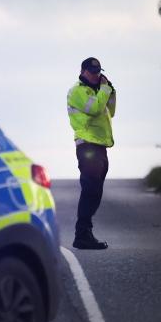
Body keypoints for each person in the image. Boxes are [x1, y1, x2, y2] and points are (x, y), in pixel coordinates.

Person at [66, 57, 116, 250]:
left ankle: (85, 233)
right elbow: (95, 109)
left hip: (100, 146)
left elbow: (111, 111)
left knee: (96, 191)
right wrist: (104, 90)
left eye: (98, 72)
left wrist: (110, 91)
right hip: (87, 145)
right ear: (83, 71)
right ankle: (82, 235)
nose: (96, 75)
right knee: (90, 189)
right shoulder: (78, 91)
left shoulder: (98, 91)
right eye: (92, 72)